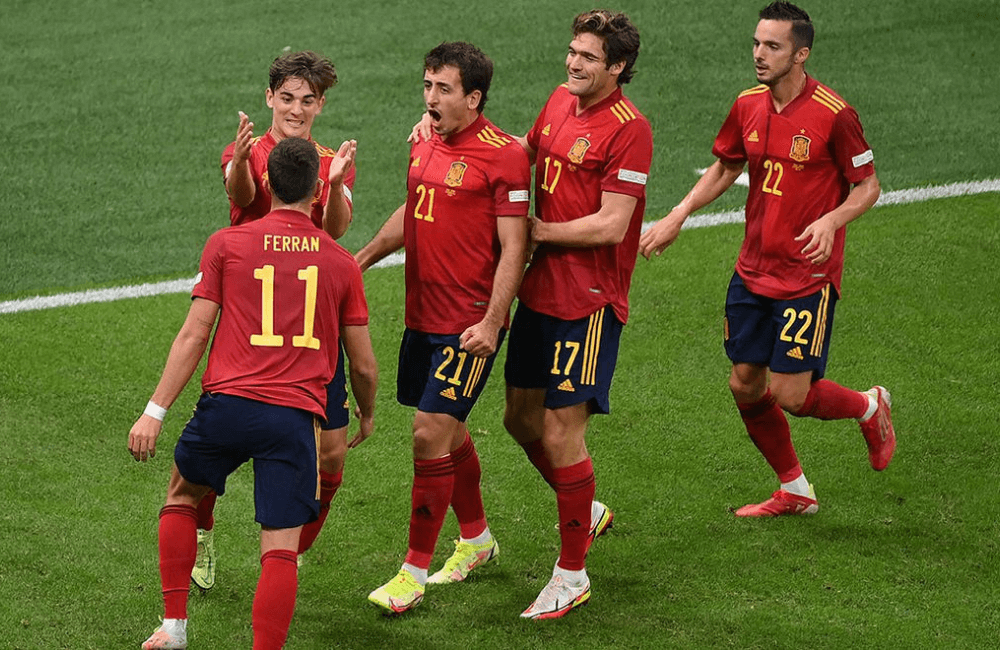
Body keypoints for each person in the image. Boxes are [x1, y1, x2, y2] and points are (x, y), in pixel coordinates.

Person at [639, 1, 895, 517]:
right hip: (753, 269)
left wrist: (831, 220)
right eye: (757, 42)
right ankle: (795, 490)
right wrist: (678, 213)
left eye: (772, 46)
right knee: (744, 382)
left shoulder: (834, 114)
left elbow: (868, 186)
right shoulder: (747, 104)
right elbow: (725, 166)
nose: (759, 53)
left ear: (800, 54)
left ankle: (869, 405)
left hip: (807, 276)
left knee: (793, 395)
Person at [128, 137, 377, 650]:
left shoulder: (226, 244)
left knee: (181, 496)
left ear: (267, 184)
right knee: (280, 553)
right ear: (317, 193)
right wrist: (366, 413)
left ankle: (174, 628)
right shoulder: (341, 263)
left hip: (226, 408)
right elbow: (365, 366)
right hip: (292, 421)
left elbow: (194, 334)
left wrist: (154, 411)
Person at [354, 41, 531, 615]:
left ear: (473, 97)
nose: (430, 98)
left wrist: (492, 321)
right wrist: (357, 261)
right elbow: (413, 213)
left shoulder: (504, 156)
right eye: (427, 86)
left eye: (443, 89)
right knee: (449, 433)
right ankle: (477, 540)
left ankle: (412, 572)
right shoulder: (424, 142)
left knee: (429, 433)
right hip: (421, 318)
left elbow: (514, 247)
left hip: (467, 326)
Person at [500, 10, 652, 620]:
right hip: (539, 294)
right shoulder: (559, 101)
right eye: (572, 52)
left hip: (588, 304)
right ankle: (584, 508)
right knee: (519, 420)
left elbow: (613, 223)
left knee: (564, 432)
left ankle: (572, 574)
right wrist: (451, 132)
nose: (573, 64)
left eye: (588, 58)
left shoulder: (629, 128)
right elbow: (522, 153)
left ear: (616, 67)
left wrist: (538, 229)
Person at [192, 50, 359, 591]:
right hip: (252, 318)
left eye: (307, 100)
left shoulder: (331, 159)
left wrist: (332, 184)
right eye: (287, 98)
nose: (296, 109)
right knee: (222, 441)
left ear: (320, 104)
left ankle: (293, 548)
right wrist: (241, 161)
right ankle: (203, 530)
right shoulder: (245, 149)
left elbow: (335, 232)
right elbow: (240, 198)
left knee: (331, 451)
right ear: (270, 98)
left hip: (311, 321)